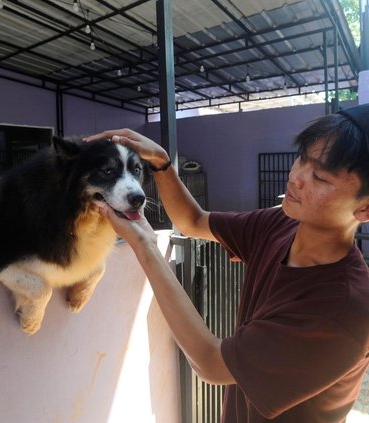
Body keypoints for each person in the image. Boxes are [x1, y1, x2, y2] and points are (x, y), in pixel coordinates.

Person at [84, 103, 369, 422]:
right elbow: (193, 220)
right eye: (302, 158)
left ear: (365, 209)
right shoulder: (280, 224)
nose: (296, 177)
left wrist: (145, 244)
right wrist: (162, 163)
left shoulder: (344, 311)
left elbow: (210, 362)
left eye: (319, 176)